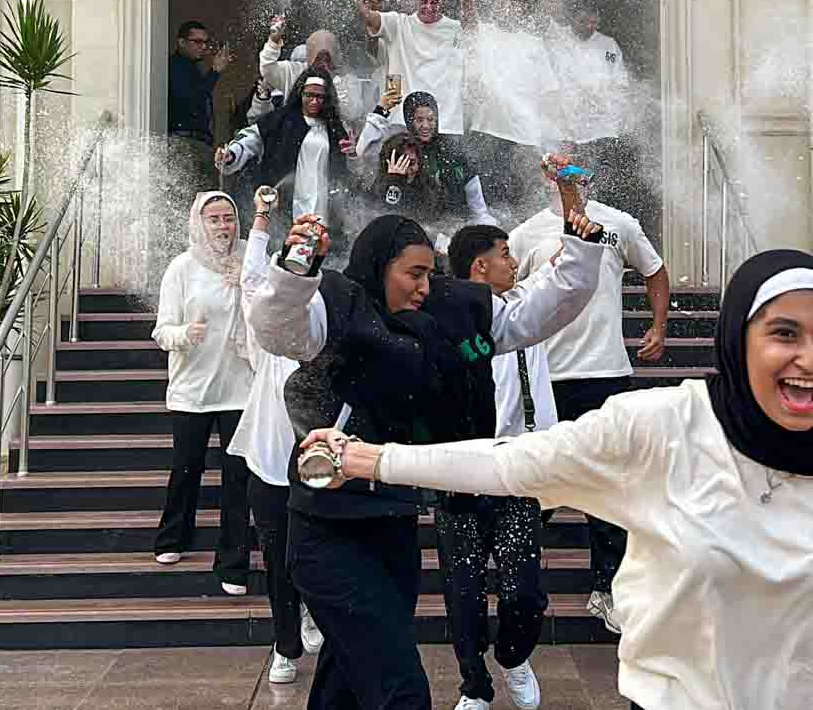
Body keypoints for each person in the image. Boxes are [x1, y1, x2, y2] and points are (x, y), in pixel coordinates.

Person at [300, 248, 813, 709]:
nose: (809, 359)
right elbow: (513, 463)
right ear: (739, 339)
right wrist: (373, 458)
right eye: (784, 333)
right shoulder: (665, 429)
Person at [246, 192, 610, 710]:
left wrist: (580, 252)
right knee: (402, 691)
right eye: (412, 274)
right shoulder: (336, 304)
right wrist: (296, 268)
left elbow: (529, 315)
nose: (423, 286)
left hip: (394, 524)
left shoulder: (450, 307)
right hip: (327, 531)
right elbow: (278, 329)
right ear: (380, 267)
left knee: (345, 682)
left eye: (429, 273)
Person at [504, 154, 668, 632]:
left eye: (575, 167)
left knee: (609, 484)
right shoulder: (527, 233)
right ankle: (518, 581)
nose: (567, 177)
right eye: (558, 169)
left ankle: (608, 588)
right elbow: (502, 291)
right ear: (545, 177)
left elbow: (654, 270)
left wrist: (659, 325)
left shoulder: (619, 224)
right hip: (548, 378)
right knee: (540, 482)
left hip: (606, 370)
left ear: (589, 174)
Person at [435, 224, 556, 710]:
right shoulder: (445, 323)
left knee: (523, 591)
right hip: (463, 470)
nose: (515, 263)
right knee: (464, 593)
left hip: (520, 471)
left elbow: (566, 275)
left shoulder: (525, 310)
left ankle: (513, 655)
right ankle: (474, 686)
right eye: (506, 254)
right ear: (480, 265)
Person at [226, 186, 324, 681]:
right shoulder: (263, 329)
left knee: (314, 554)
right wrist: (261, 222)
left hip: (317, 464)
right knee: (276, 556)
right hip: (268, 462)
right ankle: (285, 645)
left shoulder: (322, 325)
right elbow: (250, 279)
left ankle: (311, 613)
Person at [149, 192, 255, 594]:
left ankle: (233, 564)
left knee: (238, 476)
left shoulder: (250, 260)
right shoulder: (182, 267)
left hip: (240, 387)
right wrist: (185, 334)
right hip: (192, 389)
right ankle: (173, 537)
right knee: (187, 467)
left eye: (229, 218)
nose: (223, 226)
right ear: (199, 223)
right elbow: (162, 331)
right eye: (214, 219)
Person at [457, 0, 560, 210]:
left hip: (525, 138)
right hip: (488, 132)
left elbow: (548, 95)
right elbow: (468, 17)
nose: (506, 7)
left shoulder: (534, 43)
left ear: (521, 8)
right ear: (493, 6)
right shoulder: (484, 32)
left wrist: (552, 138)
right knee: (487, 203)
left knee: (526, 203)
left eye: (513, 3)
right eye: (500, 2)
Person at [217, 71, 355, 234]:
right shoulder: (281, 119)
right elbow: (252, 138)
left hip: (322, 204)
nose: (314, 101)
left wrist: (352, 154)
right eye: (309, 95)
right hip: (287, 203)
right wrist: (231, 154)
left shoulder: (334, 127)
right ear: (300, 93)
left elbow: (350, 169)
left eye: (320, 97)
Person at [345, 0, 465, 138]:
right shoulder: (398, 24)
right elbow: (369, 17)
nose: (429, 7)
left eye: (434, 2)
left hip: (445, 124)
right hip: (401, 123)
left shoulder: (455, 29)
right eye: (424, 1)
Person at [548, 0, 638, 213]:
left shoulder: (608, 45)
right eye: (583, 21)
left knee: (599, 184)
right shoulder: (556, 39)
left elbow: (621, 82)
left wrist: (609, 101)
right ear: (571, 18)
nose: (590, 26)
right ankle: (570, 220)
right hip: (567, 129)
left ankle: (599, 221)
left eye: (594, 22)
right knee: (568, 183)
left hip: (601, 128)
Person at [355, 90, 491, 225]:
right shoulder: (399, 147)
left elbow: (478, 207)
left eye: (430, 119)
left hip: (446, 221)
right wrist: (380, 111)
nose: (426, 126)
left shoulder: (450, 151)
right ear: (409, 120)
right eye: (419, 120)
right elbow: (364, 154)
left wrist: (484, 222)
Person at [250, 16, 367, 127]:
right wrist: (274, 41)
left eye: (328, 59)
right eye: (318, 59)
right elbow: (267, 68)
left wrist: (340, 88)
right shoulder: (294, 72)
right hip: (293, 133)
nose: (324, 64)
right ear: (310, 56)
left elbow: (352, 113)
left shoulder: (346, 80)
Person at [169, 19, 233, 189]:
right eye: (197, 42)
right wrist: (215, 72)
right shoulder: (174, 66)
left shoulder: (192, 68)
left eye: (205, 42)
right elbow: (191, 99)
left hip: (198, 142)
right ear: (181, 42)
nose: (203, 47)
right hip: (185, 142)